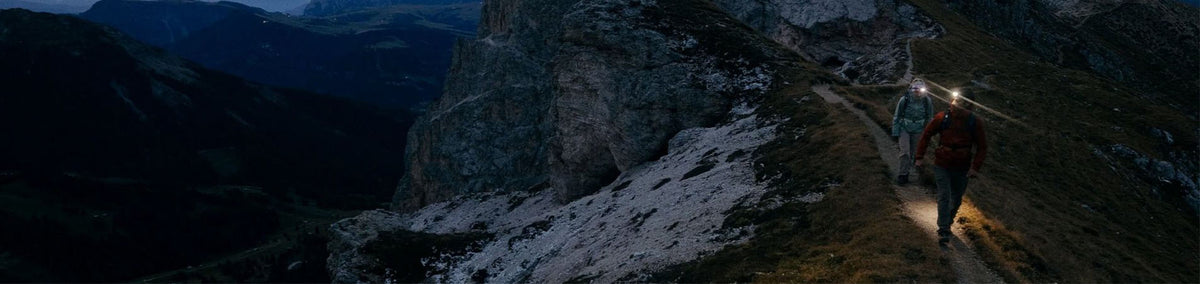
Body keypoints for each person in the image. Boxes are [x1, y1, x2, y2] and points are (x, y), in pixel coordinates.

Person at [914, 89, 987, 244]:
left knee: (957, 198)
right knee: (944, 195)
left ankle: (947, 222)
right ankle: (943, 229)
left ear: (968, 104)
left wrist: (975, 167)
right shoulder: (942, 118)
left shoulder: (974, 122)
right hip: (942, 164)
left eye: (960, 101)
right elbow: (926, 135)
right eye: (955, 99)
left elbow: (982, 147)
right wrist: (919, 157)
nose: (955, 103)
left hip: (962, 167)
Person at [892, 79, 934, 185]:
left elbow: (929, 117)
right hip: (904, 128)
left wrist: (928, 133)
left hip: (919, 129)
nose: (917, 91)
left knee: (915, 153)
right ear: (911, 89)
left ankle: (915, 173)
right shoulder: (904, 100)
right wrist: (895, 132)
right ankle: (903, 175)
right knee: (905, 152)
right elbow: (897, 116)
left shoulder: (927, 101)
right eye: (915, 89)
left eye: (920, 89)